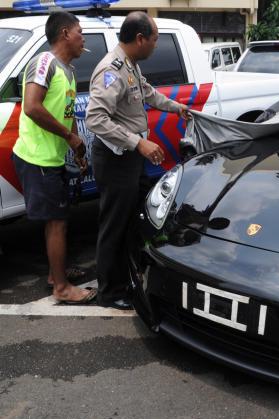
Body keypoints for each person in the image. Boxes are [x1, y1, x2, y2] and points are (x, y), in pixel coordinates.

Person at [86, 11, 189, 310]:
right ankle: (109, 291)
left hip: (128, 158)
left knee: (131, 219)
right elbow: (95, 118)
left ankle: (125, 279)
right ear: (140, 39)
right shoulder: (111, 69)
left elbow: (147, 93)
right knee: (113, 225)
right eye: (154, 40)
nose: (156, 45)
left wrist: (176, 108)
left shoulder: (129, 65)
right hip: (115, 159)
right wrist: (138, 142)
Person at [11, 11, 95, 304]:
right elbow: (32, 107)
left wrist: (76, 147)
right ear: (65, 34)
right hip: (38, 159)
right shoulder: (44, 62)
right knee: (57, 221)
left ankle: (54, 274)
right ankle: (60, 287)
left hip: (54, 158)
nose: (83, 38)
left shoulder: (68, 70)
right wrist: (68, 136)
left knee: (58, 220)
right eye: (80, 32)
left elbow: (67, 112)